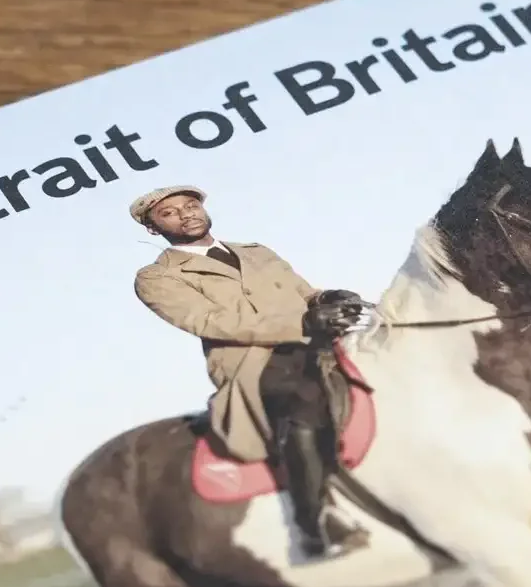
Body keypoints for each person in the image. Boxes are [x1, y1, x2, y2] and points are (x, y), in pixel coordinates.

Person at [130, 185, 372, 560]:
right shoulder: (157, 278)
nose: (186, 213)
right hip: (252, 362)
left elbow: (304, 292)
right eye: (170, 213)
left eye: (191, 205)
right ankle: (317, 521)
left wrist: (328, 299)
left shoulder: (257, 252)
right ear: (152, 228)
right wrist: (305, 323)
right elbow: (213, 321)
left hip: (314, 335)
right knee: (301, 397)